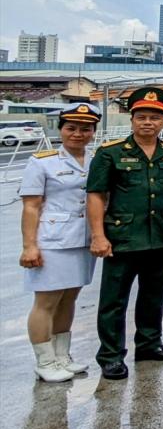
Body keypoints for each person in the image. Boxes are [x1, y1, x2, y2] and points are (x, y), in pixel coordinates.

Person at [87, 87, 163, 380]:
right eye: (142, 116)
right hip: (123, 238)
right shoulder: (110, 153)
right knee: (113, 301)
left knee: (154, 295)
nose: (148, 122)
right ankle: (110, 356)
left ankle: (149, 343)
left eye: (155, 118)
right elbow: (96, 195)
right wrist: (98, 235)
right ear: (132, 119)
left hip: (160, 235)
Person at [20, 103, 101, 382]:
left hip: (82, 238)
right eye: (72, 128)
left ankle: (61, 355)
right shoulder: (42, 161)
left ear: (93, 132)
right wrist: (30, 245)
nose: (78, 134)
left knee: (69, 298)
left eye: (86, 129)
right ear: (61, 129)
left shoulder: (96, 160)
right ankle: (44, 361)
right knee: (46, 301)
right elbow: (31, 206)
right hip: (52, 240)